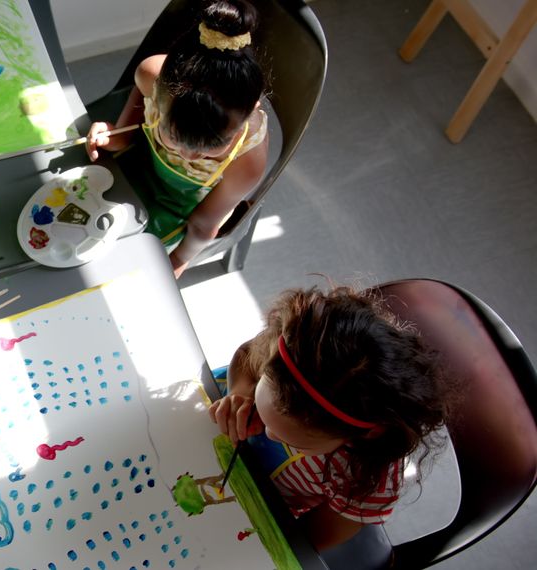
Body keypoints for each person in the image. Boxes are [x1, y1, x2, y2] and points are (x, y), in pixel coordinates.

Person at [208, 285, 454, 552]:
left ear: (361, 435)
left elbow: (303, 543)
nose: (267, 433)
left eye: (293, 440)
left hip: (258, 508)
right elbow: (247, 355)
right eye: (260, 403)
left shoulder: (367, 483)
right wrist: (241, 391)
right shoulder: (288, 353)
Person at [86, 0, 268, 279]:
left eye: (208, 149)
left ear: (250, 113)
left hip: (176, 212)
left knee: (112, 270)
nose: (190, 156)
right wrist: (119, 134)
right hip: (137, 164)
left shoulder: (248, 161)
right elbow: (138, 95)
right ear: (159, 93)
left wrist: (178, 260)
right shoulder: (151, 75)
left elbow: (204, 224)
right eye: (175, 137)